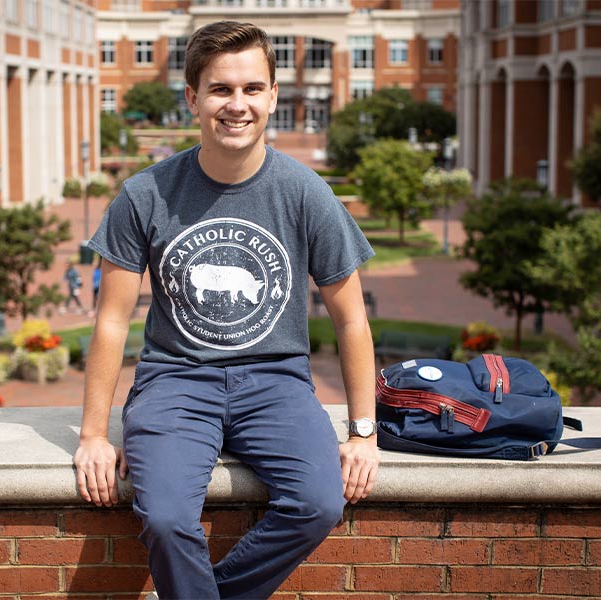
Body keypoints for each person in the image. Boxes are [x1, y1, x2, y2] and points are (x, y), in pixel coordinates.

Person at [74, 21, 380, 599]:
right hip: (175, 380)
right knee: (164, 518)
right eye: (220, 90)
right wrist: (93, 434)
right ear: (193, 98)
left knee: (318, 503)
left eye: (251, 89)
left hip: (277, 381)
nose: (236, 105)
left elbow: (351, 319)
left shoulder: (306, 192)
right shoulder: (146, 194)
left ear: (270, 97)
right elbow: (111, 320)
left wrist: (363, 433)